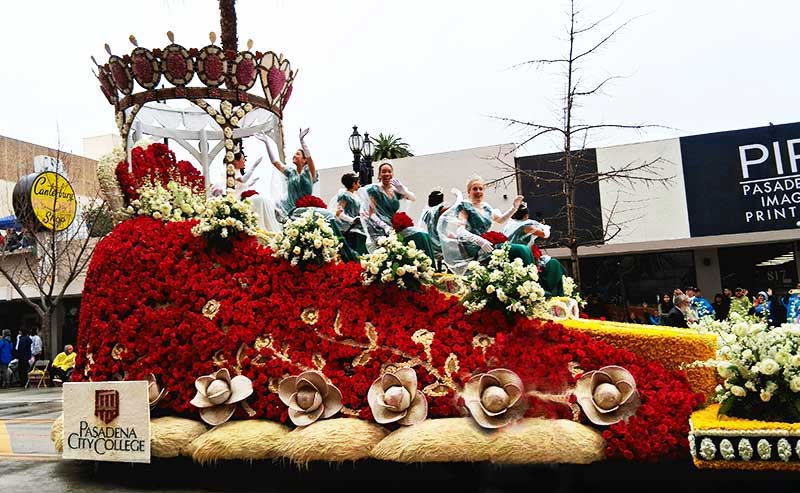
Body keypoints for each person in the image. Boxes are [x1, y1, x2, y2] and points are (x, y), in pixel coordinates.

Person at [438, 176, 532, 275]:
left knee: (522, 250)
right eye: (475, 189)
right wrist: (479, 241)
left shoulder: (486, 207)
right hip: (472, 245)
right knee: (517, 250)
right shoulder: (465, 206)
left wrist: (514, 208)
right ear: (469, 192)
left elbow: (500, 219)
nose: (478, 191)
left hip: (487, 244)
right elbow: (460, 230)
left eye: (480, 189)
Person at [360, 162, 436, 260]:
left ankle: (426, 266)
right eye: (384, 172)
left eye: (389, 172)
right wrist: (385, 226)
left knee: (422, 235)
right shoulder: (374, 190)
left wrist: (404, 191)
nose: (387, 174)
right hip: (379, 228)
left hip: (394, 226)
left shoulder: (395, 190)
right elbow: (372, 214)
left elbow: (413, 198)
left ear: (392, 174)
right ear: (379, 175)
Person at [256, 128, 317, 222]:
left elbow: (310, 160)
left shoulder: (308, 172)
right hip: (287, 208)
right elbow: (275, 162)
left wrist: (302, 142)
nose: (294, 156)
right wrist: (267, 143)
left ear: (304, 160)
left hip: (303, 211)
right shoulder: (291, 173)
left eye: (298, 154)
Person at [331, 173, 367, 256]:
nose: (359, 185)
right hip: (351, 229)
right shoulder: (345, 196)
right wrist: (352, 220)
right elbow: (338, 213)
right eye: (358, 183)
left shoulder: (355, 196)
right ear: (353, 184)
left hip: (358, 228)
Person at [419, 189, 448, 263]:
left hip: (428, 239)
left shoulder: (426, 211)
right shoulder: (438, 210)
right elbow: (453, 209)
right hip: (436, 241)